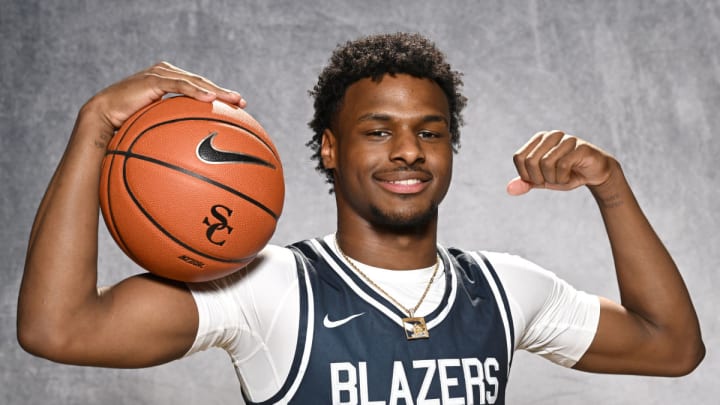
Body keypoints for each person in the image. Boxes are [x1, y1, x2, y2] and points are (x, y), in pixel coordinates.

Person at [18, 32, 704, 404]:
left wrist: (610, 187)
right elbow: (60, 327)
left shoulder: (504, 289)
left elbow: (673, 347)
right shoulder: (265, 287)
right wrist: (95, 128)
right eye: (378, 131)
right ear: (329, 146)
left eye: (430, 132)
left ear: (450, 148)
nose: (407, 150)